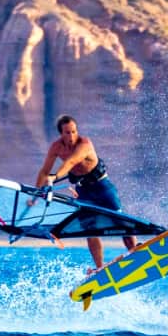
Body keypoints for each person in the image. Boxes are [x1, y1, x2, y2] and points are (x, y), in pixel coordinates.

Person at [36, 114, 138, 272]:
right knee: (89, 229)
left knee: (121, 220)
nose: (71, 136)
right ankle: (99, 268)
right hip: (83, 191)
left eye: (73, 131)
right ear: (61, 134)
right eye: (67, 133)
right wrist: (36, 193)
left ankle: (135, 253)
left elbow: (71, 162)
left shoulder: (84, 143)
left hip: (102, 188)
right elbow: (44, 171)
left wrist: (54, 177)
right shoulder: (56, 147)